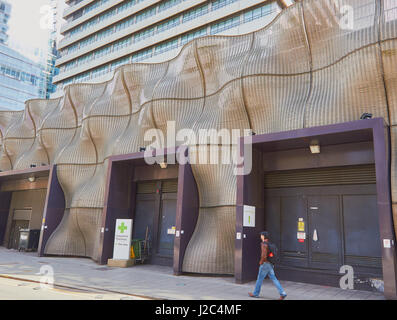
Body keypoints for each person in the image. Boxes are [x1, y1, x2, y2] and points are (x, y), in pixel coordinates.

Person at [248, 231, 287, 300]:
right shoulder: (270, 244)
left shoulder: (263, 244)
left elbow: (264, 255)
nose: (260, 236)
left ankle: (255, 293)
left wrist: (261, 262)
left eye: (261, 235)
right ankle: (283, 293)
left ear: (263, 236)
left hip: (265, 264)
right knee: (274, 279)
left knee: (259, 279)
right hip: (270, 264)